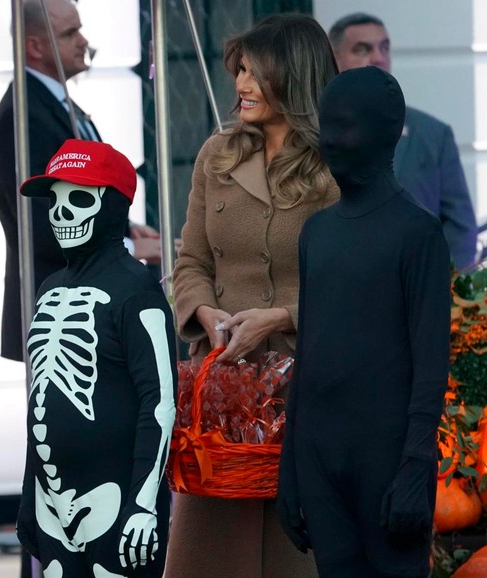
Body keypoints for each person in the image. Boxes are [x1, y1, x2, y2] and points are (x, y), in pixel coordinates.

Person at [166, 13, 339, 578]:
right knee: (214, 556)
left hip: (309, 389)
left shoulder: (339, 164)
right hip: (225, 397)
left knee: (299, 554)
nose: (240, 84)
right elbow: (190, 262)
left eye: (255, 73)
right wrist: (202, 311)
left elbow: (359, 283)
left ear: (296, 77)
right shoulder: (217, 154)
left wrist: (283, 316)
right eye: (238, 70)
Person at [277, 65, 449, 577]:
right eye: (326, 125)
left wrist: (416, 465)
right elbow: (308, 355)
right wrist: (291, 466)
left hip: (388, 461)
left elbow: (430, 363)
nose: (331, 140)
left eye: (346, 126)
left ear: (384, 133)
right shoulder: (317, 233)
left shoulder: (417, 233)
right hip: (321, 462)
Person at [16, 138, 177, 577]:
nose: (59, 214)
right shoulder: (49, 288)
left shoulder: (137, 290)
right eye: (54, 201)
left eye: (79, 200)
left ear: (113, 206)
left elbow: (161, 401)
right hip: (51, 498)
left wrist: (143, 503)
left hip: (117, 500)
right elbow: (40, 399)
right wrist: (30, 494)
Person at [0, 0, 165, 363]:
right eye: (70, 33)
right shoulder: (22, 119)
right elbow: (43, 223)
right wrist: (129, 246)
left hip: (92, 305)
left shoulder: (54, 104)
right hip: (59, 316)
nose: (83, 41)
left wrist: (127, 227)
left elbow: (81, 190)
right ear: (35, 46)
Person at [329, 12, 478, 270]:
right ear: (334, 59)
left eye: (384, 48)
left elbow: (460, 227)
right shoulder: (316, 132)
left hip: (422, 282)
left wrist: (443, 282)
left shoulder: (432, 134)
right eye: (363, 49)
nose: (378, 58)